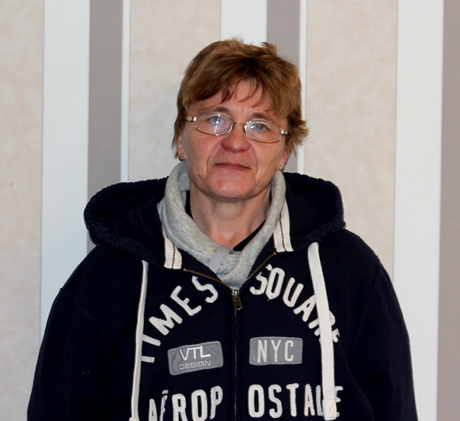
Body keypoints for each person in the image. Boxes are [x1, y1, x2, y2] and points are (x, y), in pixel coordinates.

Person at [28, 39, 417, 421]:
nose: (235, 142)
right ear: (181, 139)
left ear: (284, 152)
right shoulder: (106, 282)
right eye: (215, 119)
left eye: (260, 125)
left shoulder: (348, 272)